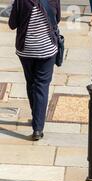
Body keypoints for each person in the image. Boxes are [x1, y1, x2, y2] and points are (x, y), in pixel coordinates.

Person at [9, 0, 61, 141]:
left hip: (26, 50)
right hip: (47, 50)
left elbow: (12, 24)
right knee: (41, 86)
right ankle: (38, 128)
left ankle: (36, 117)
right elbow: (57, 19)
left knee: (31, 82)